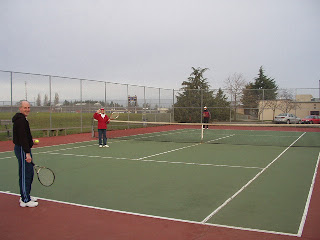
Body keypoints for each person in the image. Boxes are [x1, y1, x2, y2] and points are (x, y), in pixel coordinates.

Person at [12, 100, 39, 207]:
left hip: (25, 148)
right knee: (25, 174)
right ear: (20, 108)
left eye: (28, 107)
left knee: (29, 173)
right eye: (25, 108)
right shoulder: (20, 121)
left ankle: (26, 194)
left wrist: (30, 142)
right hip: (23, 150)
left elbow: (24, 136)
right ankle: (25, 200)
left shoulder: (23, 119)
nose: (27, 109)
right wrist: (27, 153)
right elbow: (22, 138)